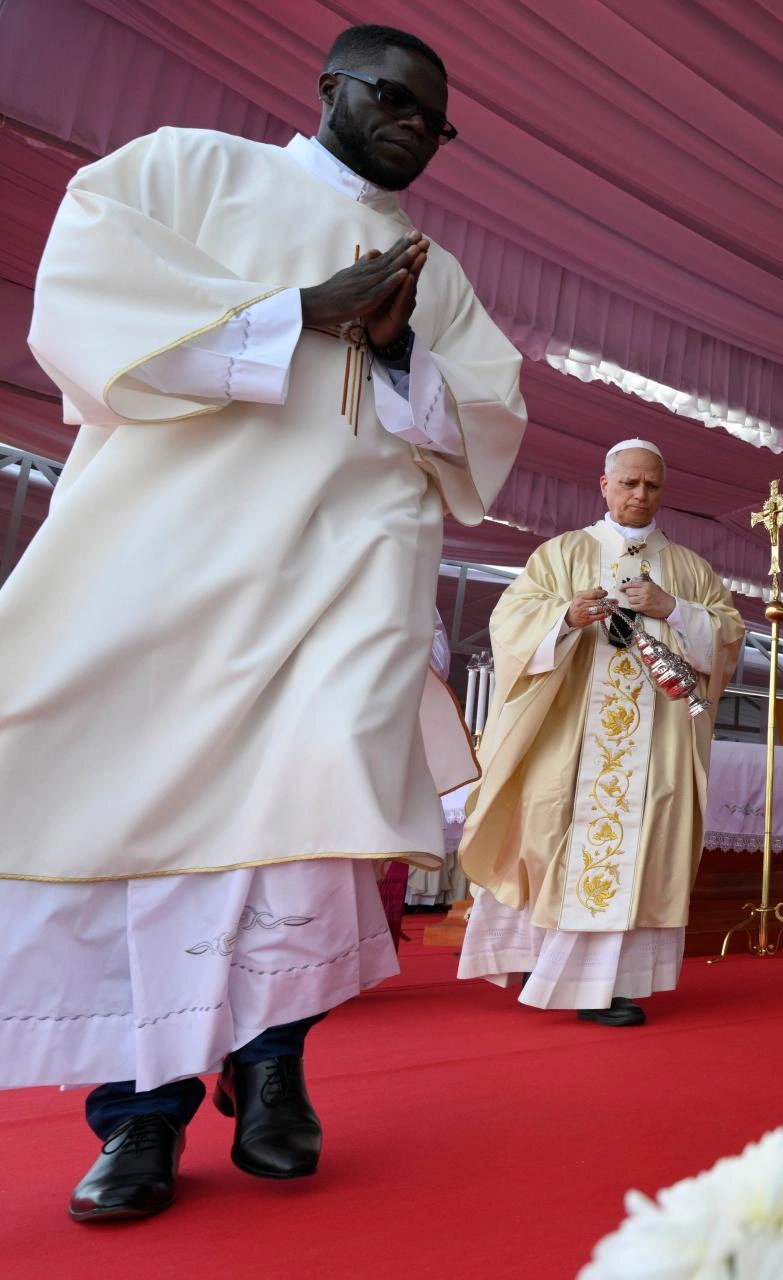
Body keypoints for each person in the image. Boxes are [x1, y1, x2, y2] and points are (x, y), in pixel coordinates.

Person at [0, 23, 525, 1222]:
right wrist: (296, 309)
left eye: (432, 121)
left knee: (312, 818)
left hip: (350, 578)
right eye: (393, 97)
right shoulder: (191, 168)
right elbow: (83, 306)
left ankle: (274, 1062)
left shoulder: (437, 274)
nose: (411, 127)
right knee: (145, 828)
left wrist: (397, 351)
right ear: (333, 84)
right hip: (175, 564)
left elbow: (486, 422)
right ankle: (138, 1118)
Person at [457, 441, 744, 1027]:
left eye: (652, 486)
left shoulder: (689, 569)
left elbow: (729, 635)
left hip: (657, 745)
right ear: (605, 485)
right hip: (570, 737)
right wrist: (564, 617)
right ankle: (551, 969)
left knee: (641, 848)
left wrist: (674, 608)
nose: (641, 495)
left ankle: (609, 985)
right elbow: (509, 623)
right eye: (630, 484)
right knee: (554, 833)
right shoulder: (561, 554)